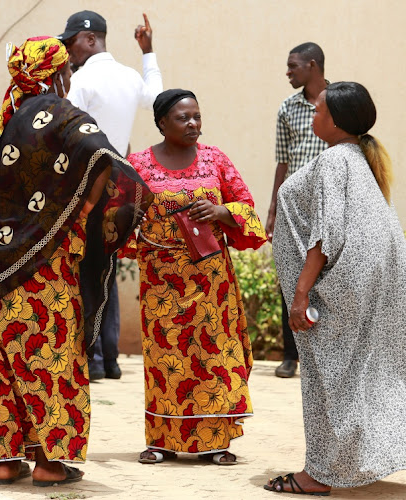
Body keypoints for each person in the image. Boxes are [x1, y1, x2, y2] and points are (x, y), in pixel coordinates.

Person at [0, 37, 153, 486]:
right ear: (56, 75)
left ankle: (8, 461)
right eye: (66, 70)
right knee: (51, 359)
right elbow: (106, 159)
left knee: (2, 363)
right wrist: (82, 212)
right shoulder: (67, 119)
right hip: (45, 267)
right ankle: (49, 463)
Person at [267, 82, 406, 495]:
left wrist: (300, 294)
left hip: (341, 290)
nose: (313, 115)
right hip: (371, 287)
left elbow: (325, 236)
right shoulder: (358, 159)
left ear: (336, 120)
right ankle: (356, 461)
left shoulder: (335, 160)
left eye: (319, 110)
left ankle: (318, 475)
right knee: (362, 374)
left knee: (327, 375)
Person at [123, 89, 266, 465]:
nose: (193, 124)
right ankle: (162, 440)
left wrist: (220, 211)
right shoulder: (138, 163)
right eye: (183, 118)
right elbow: (116, 211)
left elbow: (246, 208)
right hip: (161, 281)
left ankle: (215, 441)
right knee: (164, 357)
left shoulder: (215, 159)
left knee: (213, 357)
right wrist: (128, 219)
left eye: (197, 117)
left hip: (210, 281)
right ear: (161, 123)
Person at [60, 10, 163, 380]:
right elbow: (157, 98)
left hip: (85, 184)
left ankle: (93, 359)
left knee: (82, 270)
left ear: (89, 39)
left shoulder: (81, 79)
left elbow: (68, 132)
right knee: (107, 268)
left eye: (71, 44)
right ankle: (111, 358)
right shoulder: (131, 76)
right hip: (120, 184)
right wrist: (148, 52)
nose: (68, 55)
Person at [266, 42, 329, 379]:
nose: (288, 72)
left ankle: (325, 351)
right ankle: (291, 355)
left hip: (329, 204)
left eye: (293, 66)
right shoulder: (287, 109)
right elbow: (282, 163)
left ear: (312, 65)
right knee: (291, 277)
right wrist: (273, 211)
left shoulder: (339, 102)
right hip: (295, 208)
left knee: (328, 276)